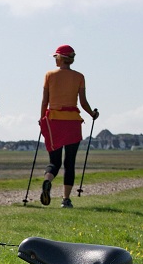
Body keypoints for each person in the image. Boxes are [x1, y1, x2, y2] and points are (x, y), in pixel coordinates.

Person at [39, 44, 99, 209]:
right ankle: (66, 200)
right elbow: (83, 102)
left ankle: (47, 181)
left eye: (55, 57)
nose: (55, 60)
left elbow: (45, 101)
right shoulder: (79, 76)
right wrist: (92, 114)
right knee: (70, 162)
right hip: (72, 121)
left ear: (60, 58)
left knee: (54, 161)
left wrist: (42, 118)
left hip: (54, 121)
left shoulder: (49, 75)